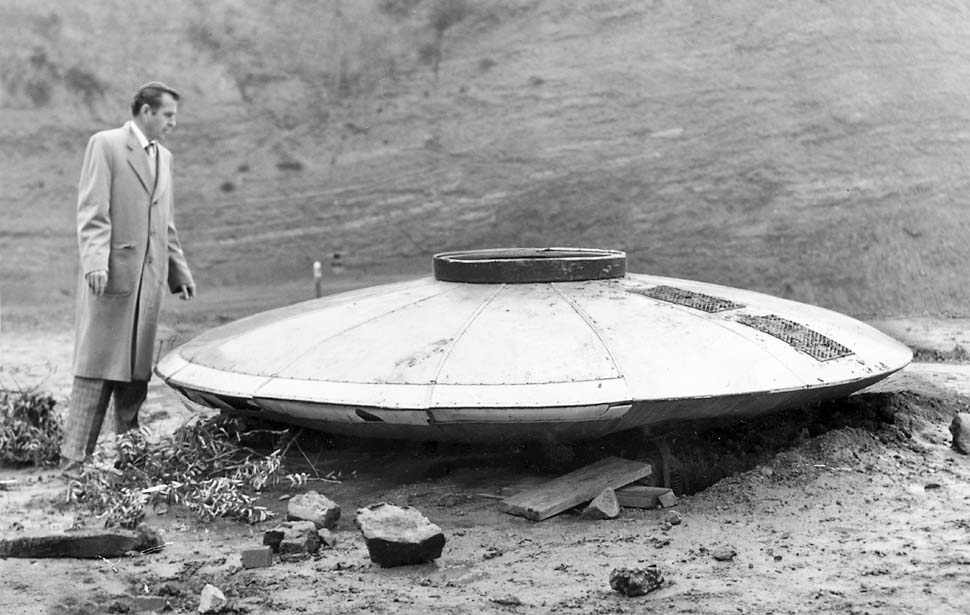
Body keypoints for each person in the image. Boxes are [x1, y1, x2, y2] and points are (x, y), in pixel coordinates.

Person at [61, 81, 196, 472]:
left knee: (135, 376)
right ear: (146, 111)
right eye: (168, 114)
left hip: (148, 284)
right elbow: (92, 211)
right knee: (96, 372)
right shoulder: (105, 144)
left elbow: (164, 223)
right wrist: (95, 263)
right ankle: (73, 465)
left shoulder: (164, 158)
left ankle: (131, 458)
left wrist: (178, 272)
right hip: (110, 280)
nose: (173, 123)